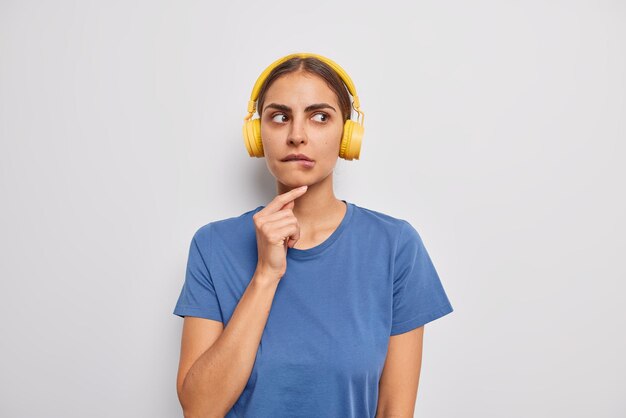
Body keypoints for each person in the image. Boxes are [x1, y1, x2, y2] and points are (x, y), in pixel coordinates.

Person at [172, 52, 454, 418]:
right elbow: (199, 410)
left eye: (320, 117)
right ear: (257, 135)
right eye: (279, 117)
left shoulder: (395, 246)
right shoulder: (212, 245)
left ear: (348, 135)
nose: (297, 136)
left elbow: (394, 410)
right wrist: (265, 275)